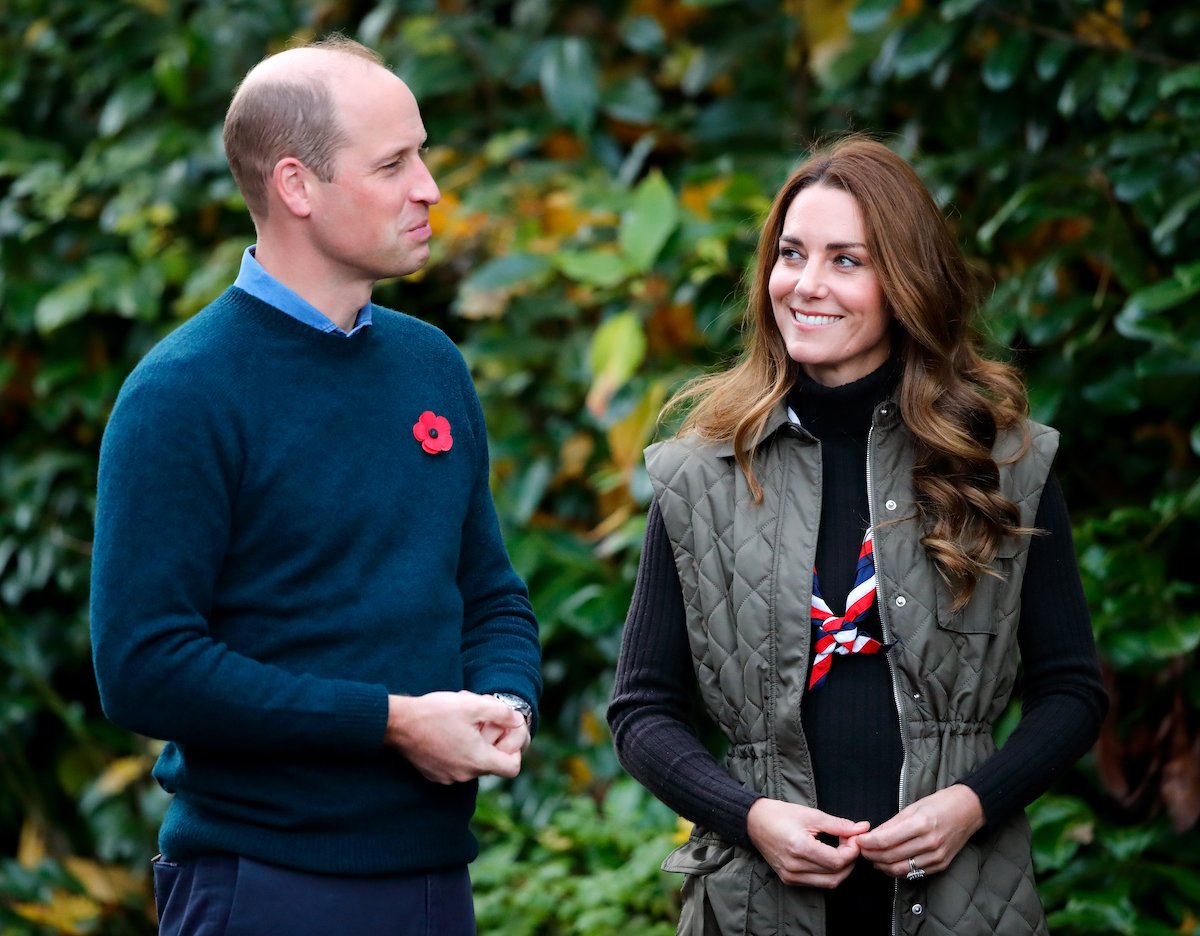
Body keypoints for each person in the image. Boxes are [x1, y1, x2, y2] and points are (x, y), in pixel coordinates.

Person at [90, 36, 541, 936]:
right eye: (393, 163)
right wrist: (390, 722)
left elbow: (487, 590)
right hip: (263, 884)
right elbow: (143, 668)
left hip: (433, 880)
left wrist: (503, 702)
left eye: (423, 154)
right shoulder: (181, 394)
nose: (430, 189)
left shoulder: (430, 365)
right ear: (296, 186)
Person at [608, 135, 1107, 935]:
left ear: (907, 282)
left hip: (962, 902)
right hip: (757, 907)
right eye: (792, 254)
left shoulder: (1003, 463)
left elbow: (1073, 691)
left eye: (847, 261)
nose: (806, 285)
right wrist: (749, 815)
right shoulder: (697, 473)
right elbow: (642, 711)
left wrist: (973, 804)